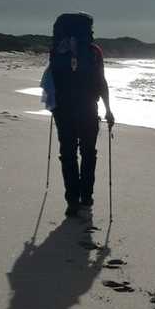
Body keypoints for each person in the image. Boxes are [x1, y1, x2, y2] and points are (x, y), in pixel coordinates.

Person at [48, 13, 114, 217]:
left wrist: (52, 104)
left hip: (63, 109)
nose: (92, 32)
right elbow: (101, 82)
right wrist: (108, 109)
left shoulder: (57, 50)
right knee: (88, 153)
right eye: (90, 29)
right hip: (87, 108)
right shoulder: (94, 51)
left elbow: (52, 80)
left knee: (67, 154)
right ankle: (86, 197)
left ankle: (72, 200)